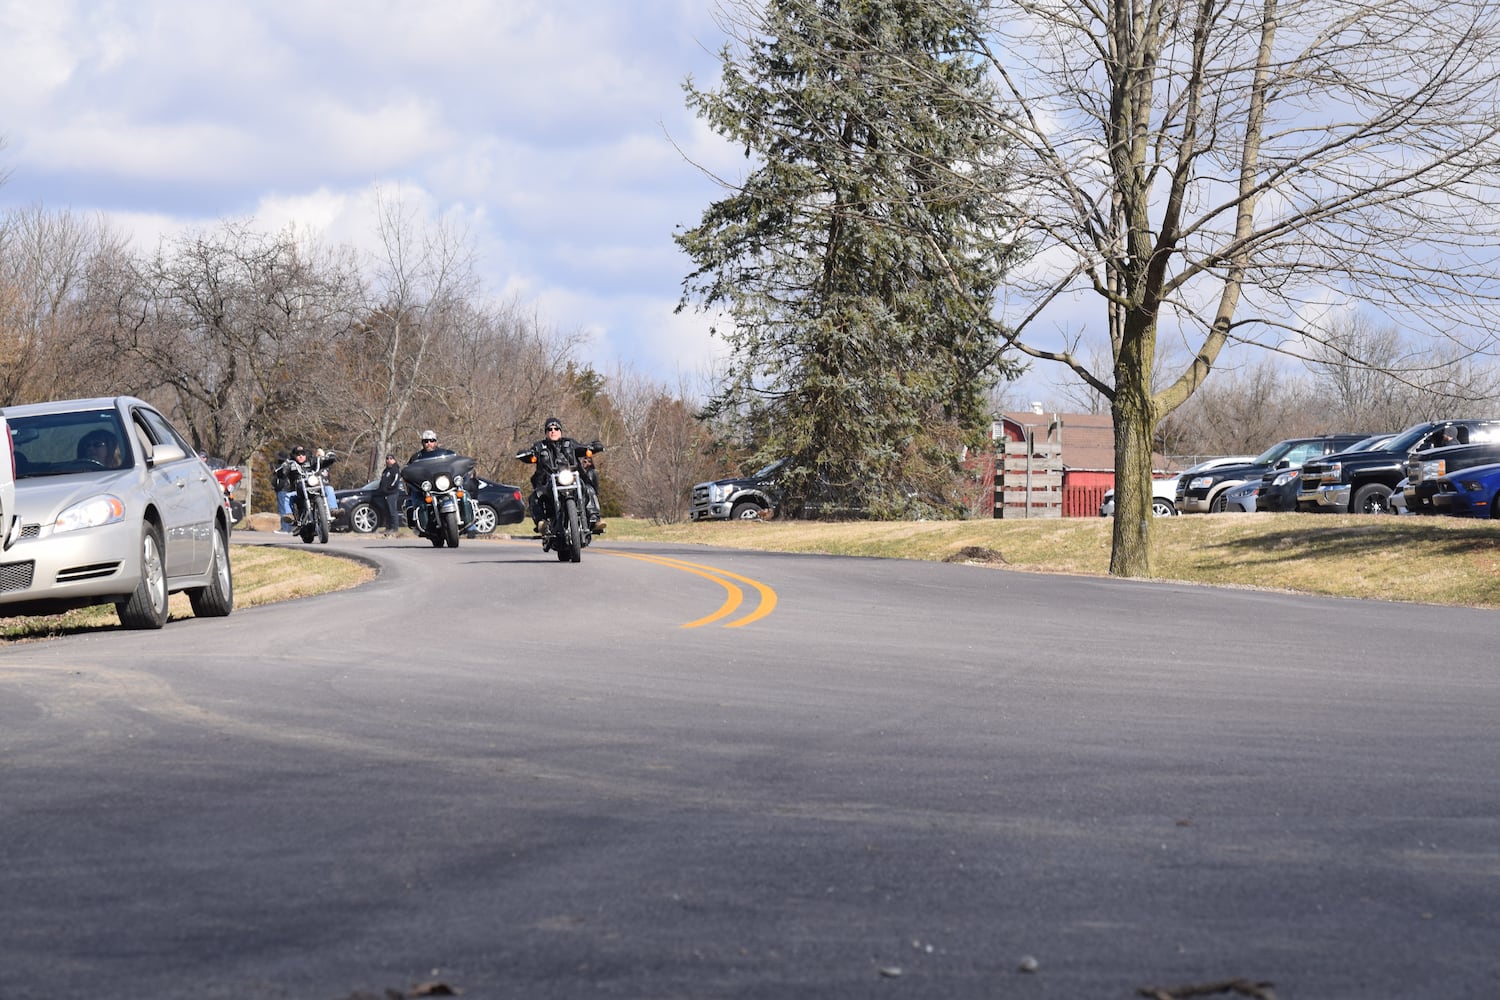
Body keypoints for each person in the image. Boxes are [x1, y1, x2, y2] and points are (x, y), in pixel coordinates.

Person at [525, 417, 604, 534]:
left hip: (571, 479)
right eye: (549, 429)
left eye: (556, 428)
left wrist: (592, 447)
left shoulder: (569, 443)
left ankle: (594, 518)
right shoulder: (539, 447)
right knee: (535, 495)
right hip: (548, 482)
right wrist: (526, 454)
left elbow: (581, 448)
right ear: (546, 432)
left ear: (560, 431)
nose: (553, 431)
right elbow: (528, 454)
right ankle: (541, 522)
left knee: (588, 489)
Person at [374, 453, 404, 537]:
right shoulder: (385, 470)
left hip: (392, 494)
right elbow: (382, 481)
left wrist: (388, 489)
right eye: (387, 458)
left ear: (394, 460)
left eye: (391, 458)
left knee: (392, 511)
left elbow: (395, 481)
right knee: (386, 512)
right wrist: (381, 490)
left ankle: (394, 529)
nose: (388, 460)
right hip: (384, 494)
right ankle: (388, 528)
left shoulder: (395, 470)